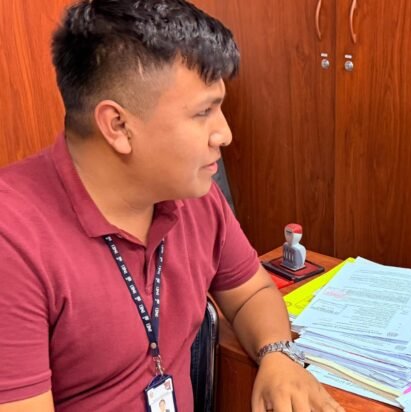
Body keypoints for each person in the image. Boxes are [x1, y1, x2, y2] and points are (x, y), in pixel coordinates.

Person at [0, 1, 342, 411]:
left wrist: (277, 353)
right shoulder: (13, 243)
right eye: (204, 112)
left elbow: (252, 292)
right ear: (118, 126)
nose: (225, 134)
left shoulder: (192, 193)